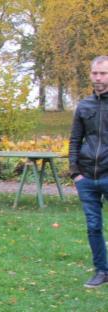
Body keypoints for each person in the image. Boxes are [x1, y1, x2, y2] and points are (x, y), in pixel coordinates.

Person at [69, 55, 108, 288]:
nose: (98, 78)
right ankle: (102, 271)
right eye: (95, 73)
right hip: (87, 177)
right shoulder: (84, 106)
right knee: (93, 226)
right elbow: (75, 139)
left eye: (103, 73)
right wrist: (75, 172)